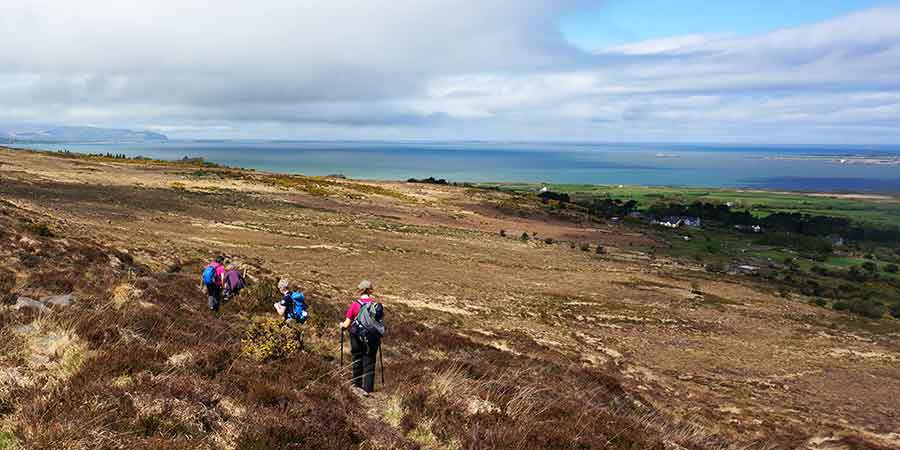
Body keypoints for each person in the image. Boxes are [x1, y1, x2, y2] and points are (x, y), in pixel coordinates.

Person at [340, 280, 383, 394]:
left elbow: (346, 324)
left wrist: (342, 326)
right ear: (370, 290)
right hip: (373, 338)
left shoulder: (355, 305)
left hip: (356, 336)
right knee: (370, 361)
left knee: (357, 359)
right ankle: (368, 389)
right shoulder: (375, 305)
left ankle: (356, 386)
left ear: (360, 290)